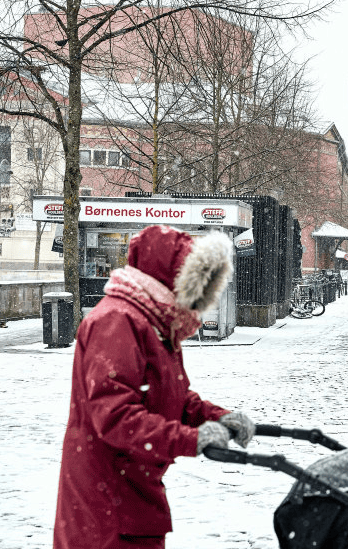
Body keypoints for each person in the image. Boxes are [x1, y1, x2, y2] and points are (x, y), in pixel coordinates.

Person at [53, 225, 256, 549]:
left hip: (132, 495)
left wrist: (217, 417)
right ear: (169, 278)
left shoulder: (154, 322)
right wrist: (191, 439)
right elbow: (116, 416)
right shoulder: (118, 321)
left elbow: (170, 396)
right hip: (105, 507)